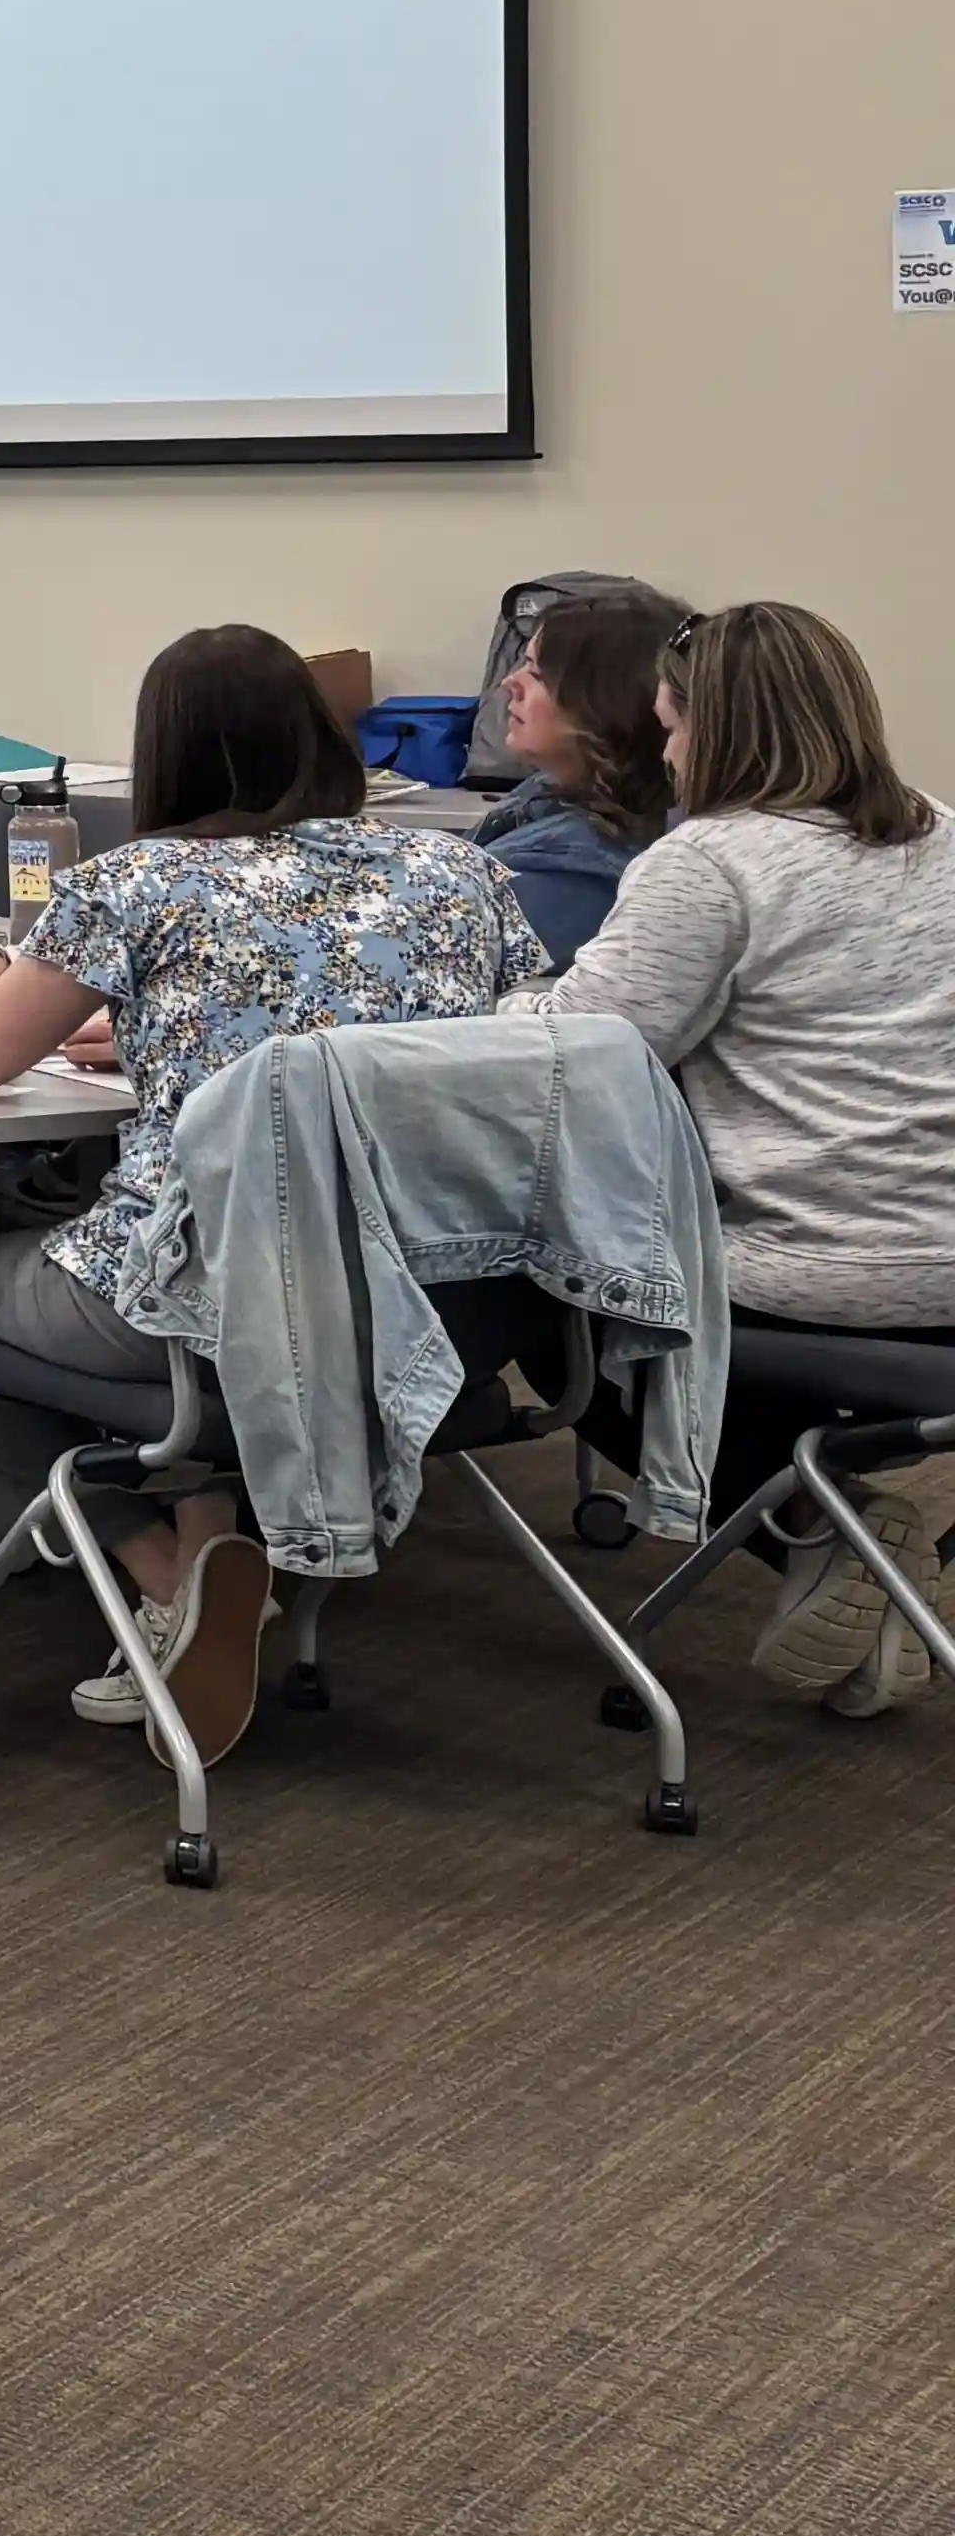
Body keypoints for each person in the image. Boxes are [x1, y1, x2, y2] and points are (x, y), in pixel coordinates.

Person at [0, 624, 547, 1763]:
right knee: (109, 1253)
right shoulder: (463, 873)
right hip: (453, 1303)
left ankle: (170, 1576)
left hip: (222, 1307)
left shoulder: (140, 883)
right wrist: (164, 1042)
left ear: (163, 756)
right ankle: (216, 1522)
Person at [529, 601, 955, 1712]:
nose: (665, 750)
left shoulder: (712, 863)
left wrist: (475, 1003)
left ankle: (828, 1520)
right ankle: (839, 1528)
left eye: (673, 724)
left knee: (551, 1313)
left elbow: (580, 1048)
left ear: (721, 730)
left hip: (816, 1273)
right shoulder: (942, 834)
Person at [476, 583, 687, 966]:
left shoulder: (580, 872)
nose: (511, 683)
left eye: (536, 673)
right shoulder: (550, 793)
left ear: (603, 703)